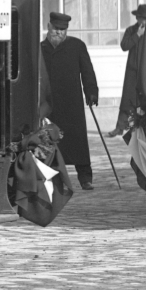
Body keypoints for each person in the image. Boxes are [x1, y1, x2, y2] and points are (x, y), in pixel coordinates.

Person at [40, 11, 101, 187]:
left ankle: (85, 178)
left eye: (63, 30)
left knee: (78, 141)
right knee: (49, 140)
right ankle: (50, 177)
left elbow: (87, 70)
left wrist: (91, 91)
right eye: (56, 29)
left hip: (71, 102)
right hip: (49, 105)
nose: (59, 33)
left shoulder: (77, 46)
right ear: (48, 27)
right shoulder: (40, 49)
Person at [113, 1, 146, 137]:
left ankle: (144, 126)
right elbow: (124, 46)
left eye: (144, 18)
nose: (142, 21)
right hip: (132, 70)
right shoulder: (131, 30)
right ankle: (120, 126)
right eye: (140, 18)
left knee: (145, 99)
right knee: (127, 99)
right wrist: (137, 35)